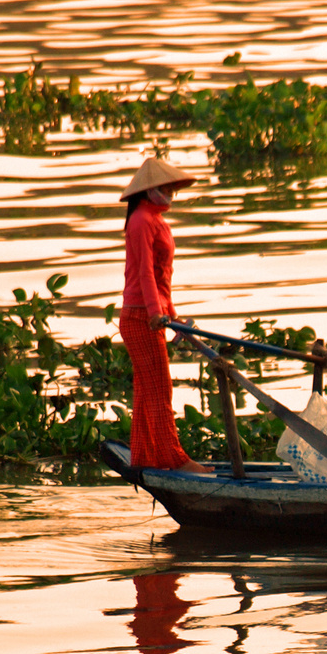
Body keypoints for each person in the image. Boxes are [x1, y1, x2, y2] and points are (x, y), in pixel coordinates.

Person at [118, 156, 212, 473]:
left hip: (150, 314)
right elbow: (144, 272)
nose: (171, 191)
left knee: (148, 392)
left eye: (171, 186)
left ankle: (145, 458)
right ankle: (173, 459)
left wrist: (173, 316)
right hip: (139, 317)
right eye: (164, 187)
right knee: (159, 389)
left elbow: (161, 279)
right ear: (148, 191)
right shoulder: (142, 220)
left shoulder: (155, 219)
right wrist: (156, 314)